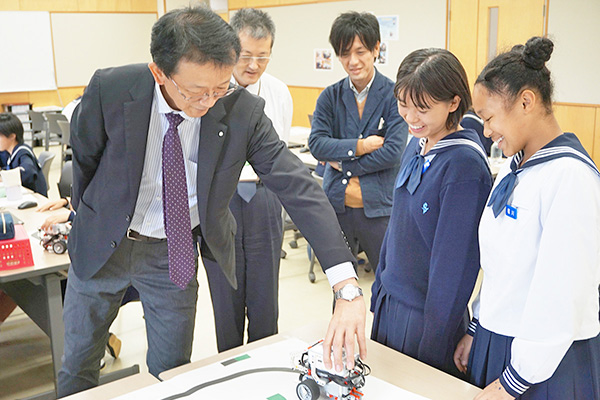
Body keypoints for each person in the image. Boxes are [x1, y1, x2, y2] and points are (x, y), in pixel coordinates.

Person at [58, 6, 364, 397]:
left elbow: (295, 183)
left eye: (219, 88)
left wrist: (345, 282)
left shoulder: (241, 108)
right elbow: (85, 158)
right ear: (160, 73)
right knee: (79, 364)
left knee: (172, 372)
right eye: (196, 92)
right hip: (101, 244)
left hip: (173, 253)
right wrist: (91, 215)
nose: (209, 102)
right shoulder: (112, 88)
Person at [453, 37, 600, 400]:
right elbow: (503, 265)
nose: (486, 131)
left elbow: (562, 295)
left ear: (526, 101)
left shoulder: (571, 178)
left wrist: (514, 380)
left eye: (488, 118)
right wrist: (477, 327)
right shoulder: (512, 168)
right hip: (500, 339)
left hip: (547, 363)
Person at [370, 48, 492, 377]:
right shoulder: (419, 142)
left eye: (422, 109)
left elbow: (453, 272)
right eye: (403, 105)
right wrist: (378, 289)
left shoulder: (464, 166)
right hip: (390, 303)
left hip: (424, 318)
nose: (411, 118)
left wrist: (433, 344)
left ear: (454, 103)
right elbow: (398, 224)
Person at [202, 8, 293, 353]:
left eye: (263, 56)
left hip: (264, 196)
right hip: (220, 201)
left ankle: (265, 364)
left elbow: (279, 151)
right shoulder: (209, 91)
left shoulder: (279, 92)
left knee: (265, 296)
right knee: (226, 299)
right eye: (245, 56)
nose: (253, 65)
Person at [309, 11, 408, 272]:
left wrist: (343, 164)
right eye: (344, 54)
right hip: (337, 207)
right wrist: (361, 146)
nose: (352, 61)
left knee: (388, 282)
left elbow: (393, 152)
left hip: (379, 209)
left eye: (360, 51)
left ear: (376, 49)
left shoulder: (394, 95)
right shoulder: (330, 97)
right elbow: (317, 144)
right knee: (341, 284)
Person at [0, 112, 48, 196]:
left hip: (35, 201)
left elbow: (28, 172)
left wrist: (4, 178)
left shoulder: (23, 153)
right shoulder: (11, 154)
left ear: (12, 136)